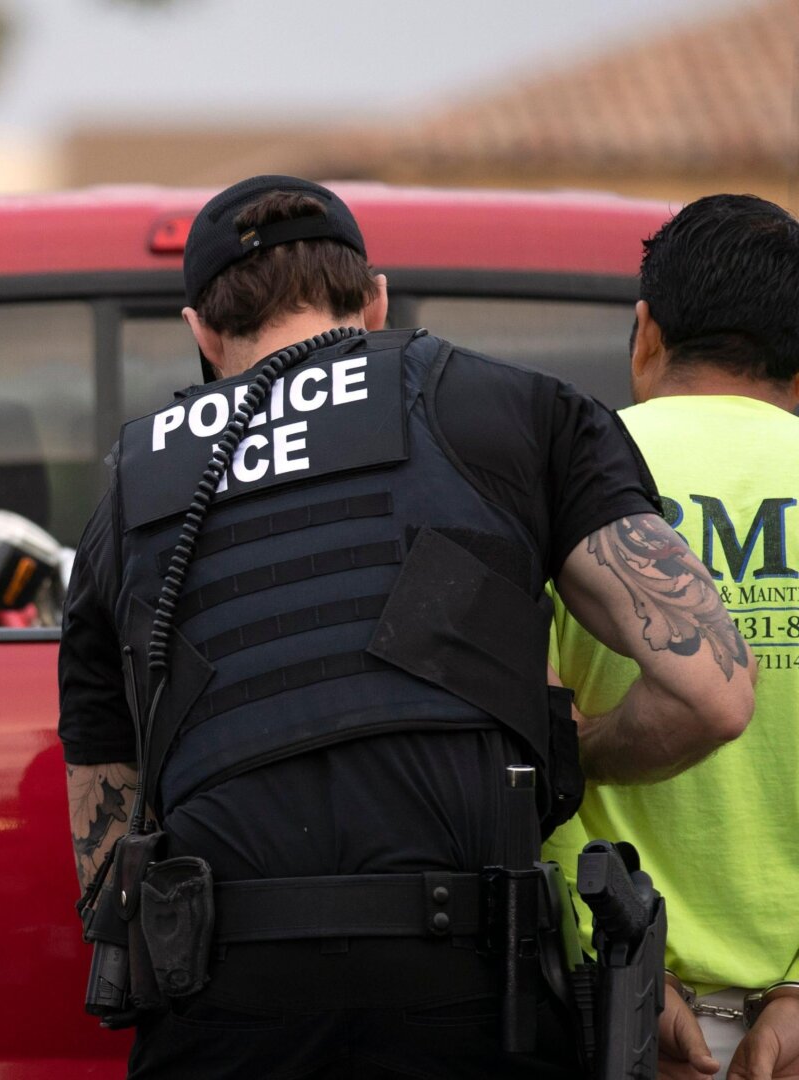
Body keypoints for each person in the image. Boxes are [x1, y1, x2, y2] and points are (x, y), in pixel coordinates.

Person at [59, 174, 756, 1078]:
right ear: (376, 297)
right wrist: (579, 752)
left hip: (227, 1003)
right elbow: (715, 692)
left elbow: (103, 868)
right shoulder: (512, 409)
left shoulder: (127, 490)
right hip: (471, 994)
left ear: (199, 330)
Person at [545, 194, 799, 1080]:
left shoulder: (560, 476)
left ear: (646, 332)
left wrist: (619, 970)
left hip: (614, 1012)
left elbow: (512, 750)